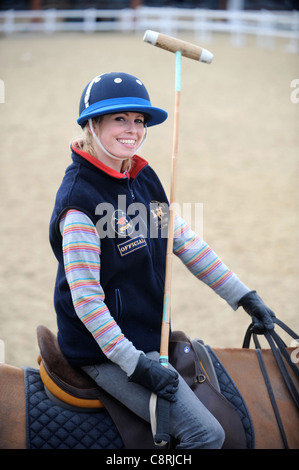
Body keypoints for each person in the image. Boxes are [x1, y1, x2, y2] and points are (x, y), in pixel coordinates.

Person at [49, 72, 275, 449]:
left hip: (147, 332)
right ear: (92, 124)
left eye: (139, 121)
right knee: (206, 435)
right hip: (103, 349)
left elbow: (184, 241)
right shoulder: (79, 203)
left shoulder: (141, 176)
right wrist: (135, 363)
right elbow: (87, 301)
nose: (132, 130)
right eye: (119, 119)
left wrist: (243, 296)